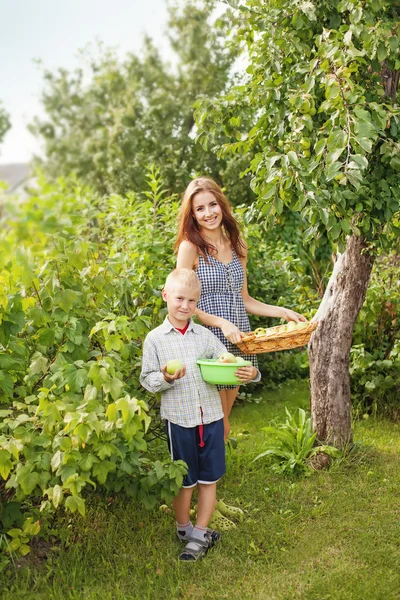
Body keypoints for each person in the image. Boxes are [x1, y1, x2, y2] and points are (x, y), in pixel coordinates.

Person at [140, 268, 259, 561]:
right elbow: (147, 379)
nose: (185, 306)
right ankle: (184, 528)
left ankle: (200, 533)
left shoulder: (204, 336)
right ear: (166, 296)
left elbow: (226, 362)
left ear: (198, 302)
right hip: (179, 421)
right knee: (185, 479)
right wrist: (166, 379)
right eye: (180, 298)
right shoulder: (155, 340)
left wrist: (250, 372)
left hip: (211, 419)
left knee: (209, 479)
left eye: (192, 301)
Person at [175, 177, 307, 441]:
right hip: (206, 341)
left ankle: (211, 474)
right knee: (214, 420)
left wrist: (280, 311)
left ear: (221, 205)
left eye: (212, 204)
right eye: (200, 208)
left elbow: (244, 299)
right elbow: (183, 303)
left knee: (224, 419)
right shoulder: (190, 248)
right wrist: (221, 323)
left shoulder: (238, 245)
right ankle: (204, 475)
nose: (208, 213)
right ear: (192, 214)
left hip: (238, 341)